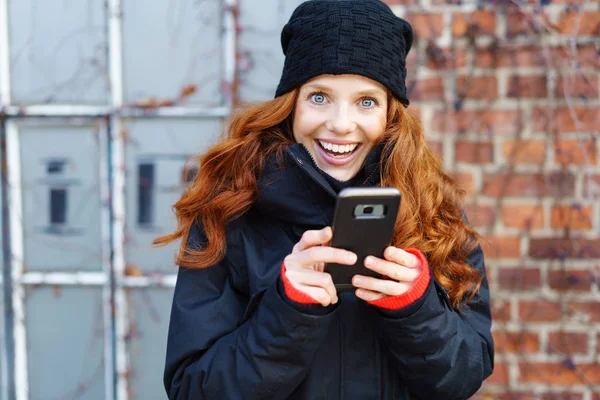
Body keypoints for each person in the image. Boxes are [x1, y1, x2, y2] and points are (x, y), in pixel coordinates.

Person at [156, 0, 494, 399]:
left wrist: (417, 308)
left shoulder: (435, 210)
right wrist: (288, 310)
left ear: (389, 113)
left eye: (366, 101)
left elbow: (464, 376)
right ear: (291, 103)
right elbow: (192, 389)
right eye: (320, 97)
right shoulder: (229, 211)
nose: (340, 124)